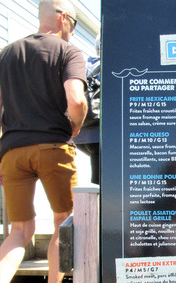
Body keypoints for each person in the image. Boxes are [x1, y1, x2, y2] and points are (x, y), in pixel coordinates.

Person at [0, 0, 87, 283]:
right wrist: (74, 127)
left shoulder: (8, 53)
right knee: (63, 222)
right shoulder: (68, 52)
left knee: (20, 230)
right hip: (53, 148)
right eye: (73, 24)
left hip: (13, 152)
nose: (72, 31)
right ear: (62, 18)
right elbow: (76, 100)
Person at [73, 33, 101, 185]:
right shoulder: (111, 65)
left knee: (98, 181)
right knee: (102, 183)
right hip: (99, 135)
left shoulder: (83, 66)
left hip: (80, 135)